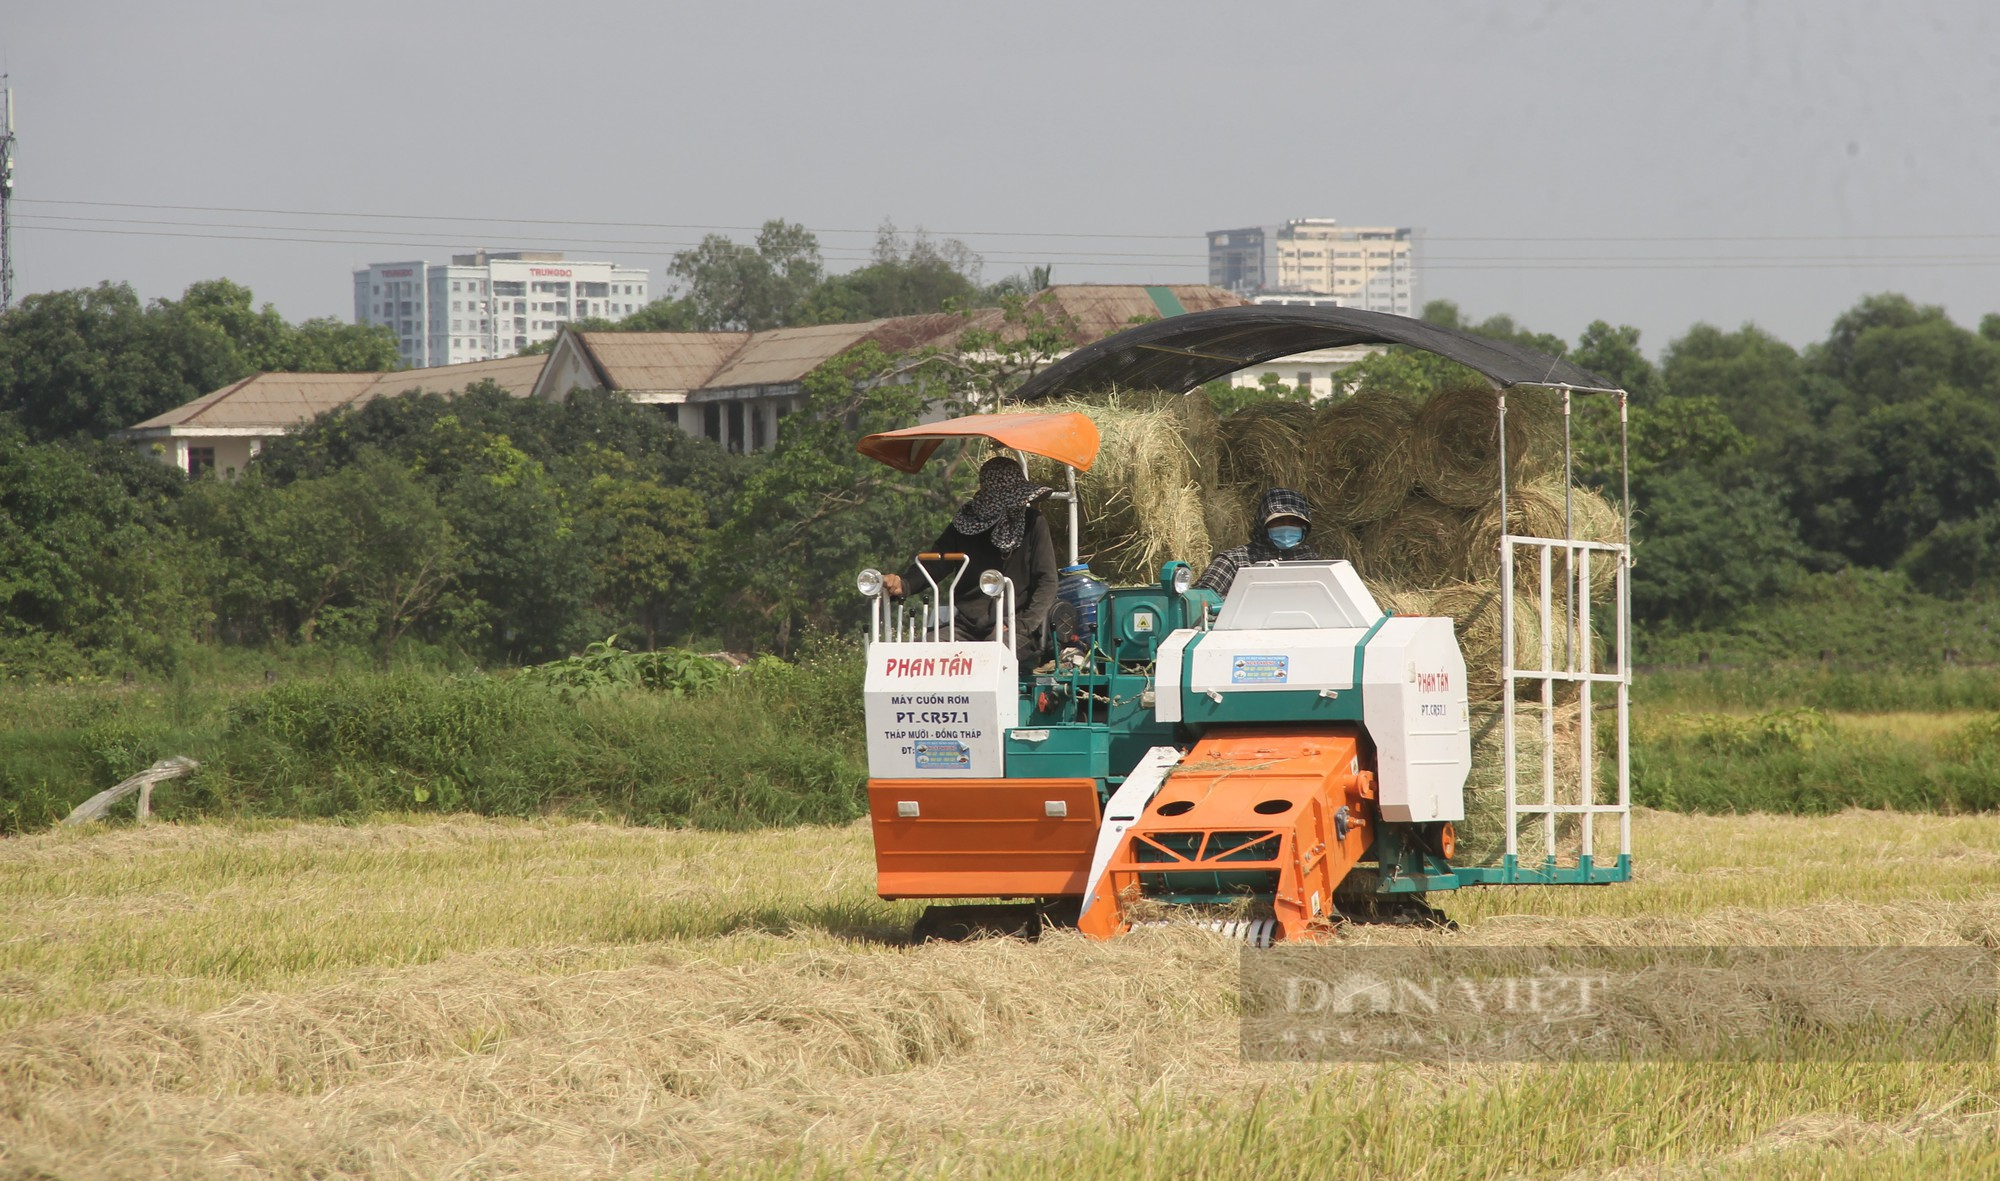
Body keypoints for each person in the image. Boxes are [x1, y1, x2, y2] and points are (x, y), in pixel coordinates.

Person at [882, 456, 1061, 663]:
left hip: (1014, 623)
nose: (1017, 503)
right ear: (991, 497)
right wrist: (903, 584)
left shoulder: (1033, 523)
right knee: (923, 654)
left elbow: (1047, 581)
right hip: (966, 625)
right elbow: (935, 563)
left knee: (990, 656)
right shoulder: (966, 523)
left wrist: (1021, 624)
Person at [1196, 487, 1323, 596]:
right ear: (1262, 525)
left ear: (1304, 528)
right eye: (1278, 522)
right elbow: (1200, 600)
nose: (1286, 528)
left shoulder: (1313, 562)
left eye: (1294, 522)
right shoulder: (1234, 561)